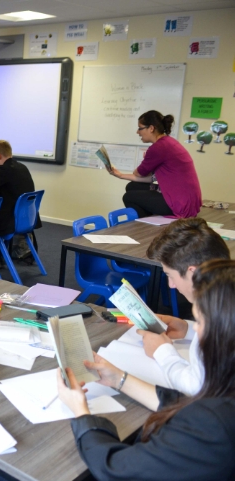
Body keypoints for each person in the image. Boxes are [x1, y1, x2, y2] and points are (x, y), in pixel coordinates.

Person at [57, 258, 235, 480]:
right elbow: (187, 405)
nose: (195, 331)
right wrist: (119, 379)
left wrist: (80, 412)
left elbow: (116, 468)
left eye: (199, 322)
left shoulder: (212, 426)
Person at [140, 217, 230, 396]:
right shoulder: (225, 300)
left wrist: (161, 351)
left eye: (170, 275)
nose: (171, 285)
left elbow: (196, 386)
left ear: (193, 273)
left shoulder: (211, 318)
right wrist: (187, 329)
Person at [109, 110, 202, 218]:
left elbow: (139, 173)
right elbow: (152, 178)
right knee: (132, 186)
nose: (138, 132)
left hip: (181, 204)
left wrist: (146, 161)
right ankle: (151, 219)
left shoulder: (158, 147)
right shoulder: (169, 142)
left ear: (151, 128)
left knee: (128, 197)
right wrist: (120, 175)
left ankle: (146, 224)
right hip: (188, 201)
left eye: (140, 128)